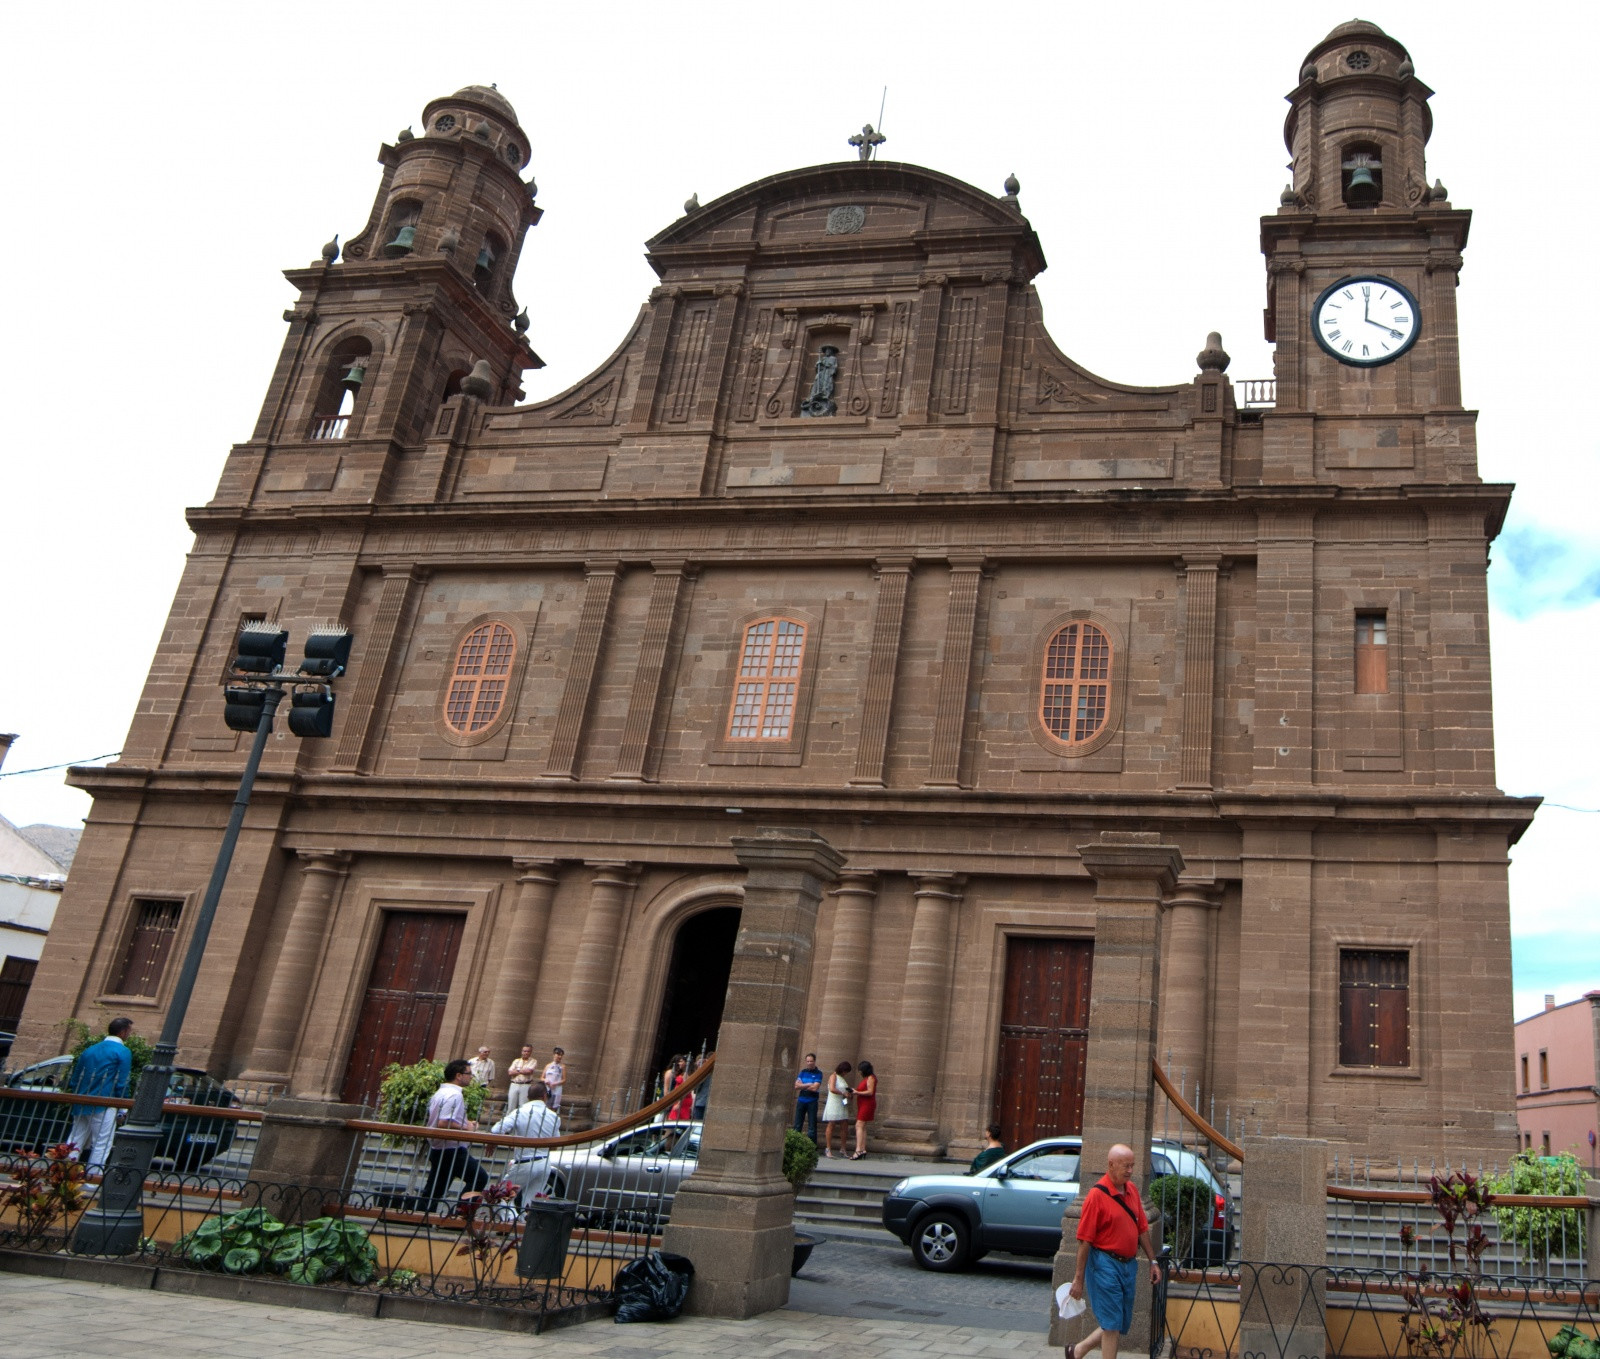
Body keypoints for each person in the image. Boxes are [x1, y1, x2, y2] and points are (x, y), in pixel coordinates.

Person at [1067, 1143, 1162, 1359]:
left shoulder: (1132, 1190)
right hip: (1104, 1263)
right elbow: (1084, 1241)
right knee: (1111, 1324)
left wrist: (1153, 1261)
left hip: (1128, 1265)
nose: (1130, 1171)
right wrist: (1078, 1278)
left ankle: (1078, 1350)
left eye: (1132, 1166)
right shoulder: (1096, 1196)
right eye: (1126, 1166)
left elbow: (1142, 1229)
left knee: (1118, 1321)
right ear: (1111, 1165)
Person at [422, 1058, 491, 1214]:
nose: (471, 1077)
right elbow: (444, 1122)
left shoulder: (441, 1093)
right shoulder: (454, 1095)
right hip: (451, 1149)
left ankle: (423, 1215)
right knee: (479, 1178)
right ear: (459, 1076)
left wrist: (465, 1122)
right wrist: (467, 1127)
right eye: (469, 1074)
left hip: (439, 1147)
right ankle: (460, 1213)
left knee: (435, 1189)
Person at [67, 1017, 134, 1172]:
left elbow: (75, 1079)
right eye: (129, 1031)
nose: (129, 1034)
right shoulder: (123, 1051)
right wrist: (123, 1108)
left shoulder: (90, 1049)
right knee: (102, 1143)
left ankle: (65, 1174)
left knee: (75, 1140)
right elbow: (122, 1082)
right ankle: (92, 1179)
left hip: (82, 1100)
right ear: (123, 1032)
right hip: (104, 1102)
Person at [490, 1079, 561, 1205]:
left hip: (525, 1161)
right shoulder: (553, 1116)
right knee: (531, 1202)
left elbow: (496, 1129)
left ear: (528, 1097)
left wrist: (494, 1142)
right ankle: (523, 1221)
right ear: (544, 1096)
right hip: (544, 1163)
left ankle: (510, 1221)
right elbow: (555, 1144)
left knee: (501, 1196)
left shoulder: (520, 1112)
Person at [821, 1060, 853, 1158]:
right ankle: (828, 1148)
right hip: (834, 1103)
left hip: (842, 1103)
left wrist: (848, 1095)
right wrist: (843, 1093)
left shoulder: (842, 1079)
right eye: (845, 1071)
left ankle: (843, 1148)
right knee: (832, 1124)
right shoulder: (833, 1076)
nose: (845, 1073)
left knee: (844, 1125)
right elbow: (832, 1088)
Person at [793, 1053, 823, 1142]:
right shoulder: (803, 1072)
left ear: (814, 1061)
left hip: (812, 1101)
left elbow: (815, 1088)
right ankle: (795, 1144)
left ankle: (812, 1146)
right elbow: (796, 1086)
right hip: (801, 1100)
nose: (809, 1063)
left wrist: (802, 1085)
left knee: (812, 1125)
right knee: (797, 1124)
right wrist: (809, 1084)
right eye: (808, 1061)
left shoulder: (819, 1073)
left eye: (811, 1061)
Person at [850, 1060, 877, 1159]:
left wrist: (857, 1092)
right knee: (863, 1126)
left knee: (859, 1125)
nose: (860, 1072)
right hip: (863, 1104)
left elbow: (870, 1092)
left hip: (867, 1104)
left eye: (861, 1070)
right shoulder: (867, 1078)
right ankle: (863, 1149)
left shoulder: (870, 1078)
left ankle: (858, 1150)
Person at [506, 1044, 539, 1112]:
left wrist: (517, 1070)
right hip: (514, 1084)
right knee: (511, 1105)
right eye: (524, 1051)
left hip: (525, 1084)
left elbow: (529, 1071)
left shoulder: (533, 1061)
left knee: (523, 1106)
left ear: (531, 1052)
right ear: (522, 1052)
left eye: (528, 1051)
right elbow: (510, 1072)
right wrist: (521, 1071)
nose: (526, 1053)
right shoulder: (516, 1061)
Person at [663, 1054, 693, 1121]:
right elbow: (666, 1088)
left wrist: (679, 1103)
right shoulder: (672, 1072)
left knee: (673, 1121)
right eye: (679, 1061)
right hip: (674, 1099)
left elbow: (685, 1089)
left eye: (681, 1061)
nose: (680, 1063)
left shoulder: (685, 1074)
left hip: (681, 1100)